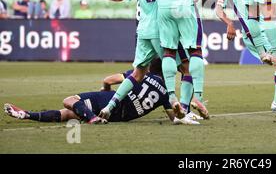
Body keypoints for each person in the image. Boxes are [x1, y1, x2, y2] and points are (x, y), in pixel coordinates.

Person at [93, 0, 203, 124]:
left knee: (138, 74)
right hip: (161, 30)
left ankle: (109, 107)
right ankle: (182, 111)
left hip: (143, 31)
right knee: (186, 68)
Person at [4, 69, 180, 125]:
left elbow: (107, 80)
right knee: (66, 114)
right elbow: (174, 118)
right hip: (121, 117)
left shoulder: (141, 73)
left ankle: (93, 118)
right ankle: (26, 114)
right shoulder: (166, 93)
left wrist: (104, 90)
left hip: (109, 102)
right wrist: (183, 112)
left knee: (69, 101)